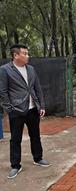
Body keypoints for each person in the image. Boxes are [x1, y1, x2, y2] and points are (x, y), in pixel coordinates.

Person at [0, 44, 50, 179]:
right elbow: (3, 92)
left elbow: (37, 88)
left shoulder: (31, 69)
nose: (28, 56)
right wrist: (10, 109)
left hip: (33, 109)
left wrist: (42, 106)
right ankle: (15, 165)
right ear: (15, 55)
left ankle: (38, 158)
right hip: (16, 111)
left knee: (36, 135)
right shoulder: (5, 70)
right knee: (15, 139)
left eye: (28, 53)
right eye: (25, 53)